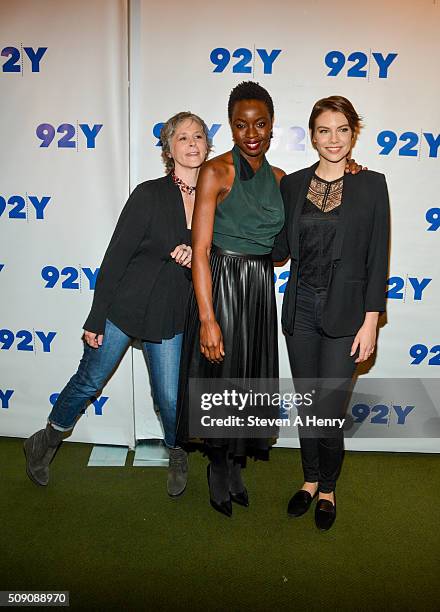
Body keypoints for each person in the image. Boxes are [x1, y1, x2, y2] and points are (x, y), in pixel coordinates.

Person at [24, 111, 211, 497]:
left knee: (171, 397)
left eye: (199, 137)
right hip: (125, 307)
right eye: (183, 138)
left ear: (208, 145)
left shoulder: (217, 198)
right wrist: (96, 317)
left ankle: (177, 453)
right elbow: (116, 257)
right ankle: (44, 442)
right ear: (169, 148)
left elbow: (225, 251)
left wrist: (198, 250)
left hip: (171, 314)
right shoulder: (149, 193)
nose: (192, 143)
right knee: (89, 381)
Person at [272, 96, 390, 530]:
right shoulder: (292, 185)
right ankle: (308, 480)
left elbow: (379, 255)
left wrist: (371, 320)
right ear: (312, 135)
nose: (333, 139)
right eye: (324, 130)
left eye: (342, 129)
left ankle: (328, 488)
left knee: (328, 408)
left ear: (353, 132)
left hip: (347, 313)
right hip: (300, 307)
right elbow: (278, 248)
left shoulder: (372, 184)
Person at [176, 82, 285, 517]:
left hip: (258, 287)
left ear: (272, 125)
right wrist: (207, 318)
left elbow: (311, 211)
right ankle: (217, 465)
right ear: (232, 127)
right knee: (220, 380)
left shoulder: (281, 180)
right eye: (241, 124)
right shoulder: (216, 171)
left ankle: (237, 460)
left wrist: (350, 167)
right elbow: (199, 249)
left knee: (248, 379)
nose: (252, 132)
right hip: (220, 282)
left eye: (260, 123)